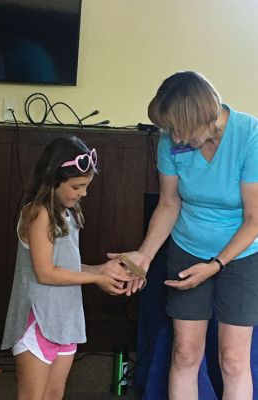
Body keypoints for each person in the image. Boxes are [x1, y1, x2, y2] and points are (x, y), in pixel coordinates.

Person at [109, 71, 258, 400]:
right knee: (185, 353)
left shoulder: (250, 134)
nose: (174, 138)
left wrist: (217, 263)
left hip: (242, 255)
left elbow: (253, 219)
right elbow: (168, 204)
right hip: (187, 248)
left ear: (202, 116)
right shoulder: (170, 140)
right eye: (169, 129)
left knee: (233, 360)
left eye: (178, 128)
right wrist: (144, 257)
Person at [1, 136, 133, 400]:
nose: (83, 193)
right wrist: (95, 280)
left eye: (85, 186)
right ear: (53, 178)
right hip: (38, 320)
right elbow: (45, 272)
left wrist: (102, 270)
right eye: (77, 186)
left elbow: (67, 266)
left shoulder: (68, 212)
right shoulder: (38, 213)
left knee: (54, 394)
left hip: (65, 319)